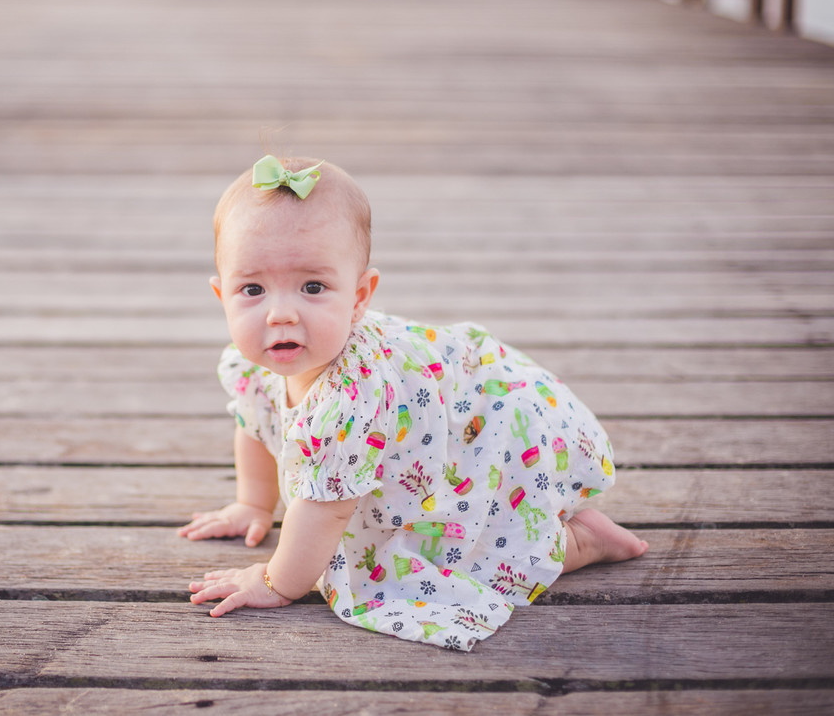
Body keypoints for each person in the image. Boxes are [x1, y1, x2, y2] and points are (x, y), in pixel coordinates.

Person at [178, 155, 648, 651]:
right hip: (430, 430)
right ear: (221, 296)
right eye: (252, 289)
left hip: (480, 441)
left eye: (313, 287)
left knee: (436, 560)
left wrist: (274, 582)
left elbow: (327, 510)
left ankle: (576, 541)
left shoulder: (349, 396)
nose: (280, 314)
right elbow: (258, 420)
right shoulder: (260, 360)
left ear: (360, 295)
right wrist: (253, 503)